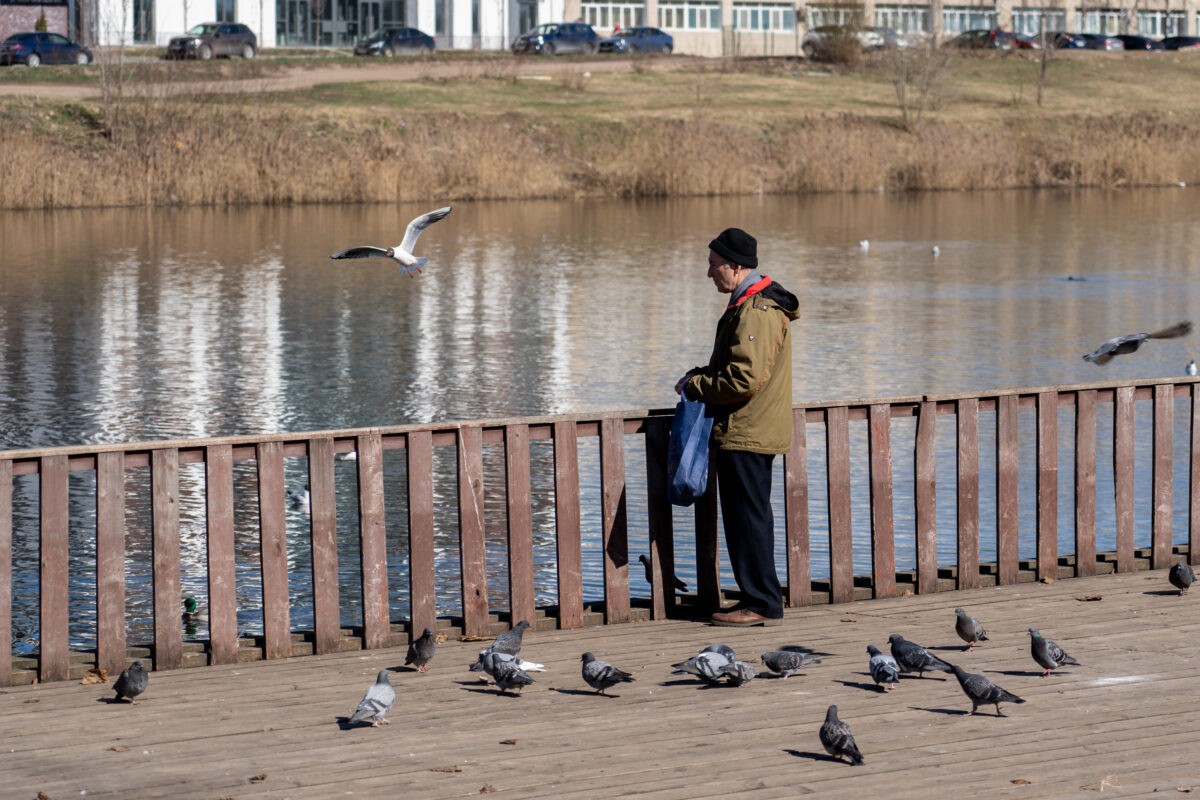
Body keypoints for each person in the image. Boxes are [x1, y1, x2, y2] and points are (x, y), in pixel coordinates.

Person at [675, 227, 799, 627]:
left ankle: (760, 602)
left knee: (748, 518)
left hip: (748, 430)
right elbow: (736, 369)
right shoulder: (749, 304)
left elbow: (744, 379)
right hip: (750, 428)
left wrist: (697, 385)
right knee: (750, 516)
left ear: (736, 265)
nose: (709, 273)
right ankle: (759, 597)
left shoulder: (756, 311)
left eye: (714, 265)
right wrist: (702, 373)